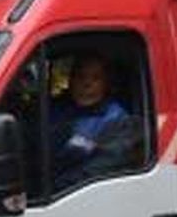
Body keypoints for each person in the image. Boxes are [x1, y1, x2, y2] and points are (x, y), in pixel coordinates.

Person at [49, 52, 138, 189]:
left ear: (106, 84)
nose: (86, 84)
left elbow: (102, 167)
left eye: (96, 78)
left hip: (77, 194)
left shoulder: (117, 119)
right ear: (71, 80)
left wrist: (58, 185)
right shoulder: (53, 109)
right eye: (80, 76)